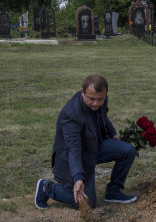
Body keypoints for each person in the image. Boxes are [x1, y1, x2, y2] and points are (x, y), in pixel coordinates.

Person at [34, 74, 138, 209]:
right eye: (91, 99)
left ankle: (113, 192)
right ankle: (46, 188)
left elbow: (103, 117)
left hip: (94, 146)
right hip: (72, 158)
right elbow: (73, 148)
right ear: (83, 92)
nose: (96, 103)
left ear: (105, 94)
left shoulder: (101, 99)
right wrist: (78, 177)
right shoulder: (71, 115)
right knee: (88, 203)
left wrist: (113, 134)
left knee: (127, 150)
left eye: (100, 99)